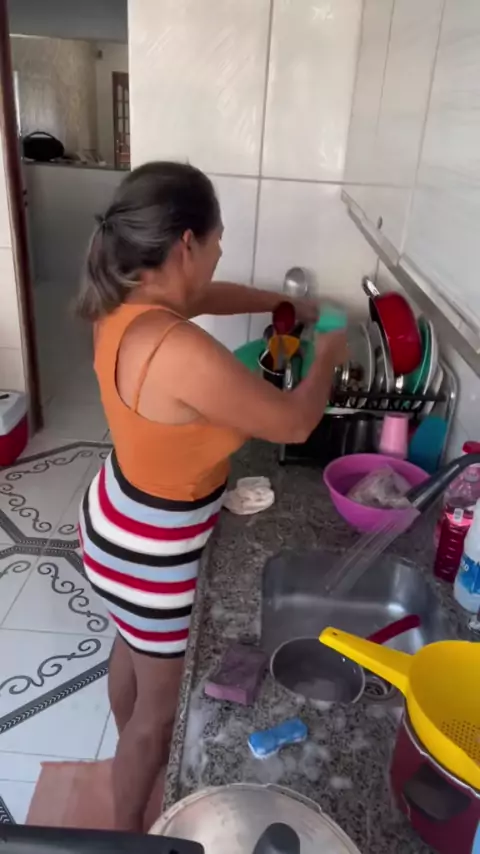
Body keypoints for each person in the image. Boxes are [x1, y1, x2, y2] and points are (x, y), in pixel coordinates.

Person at [76, 161, 347, 831]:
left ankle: (131, 754)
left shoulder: (127, 303)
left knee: (131, 654)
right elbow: (295, 422)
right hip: (153, 553)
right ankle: (124, 833)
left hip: (116, 517)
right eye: (218, 240)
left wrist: (288, 306)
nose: (221, 253)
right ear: (187, 244)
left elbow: (211, 295)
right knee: (159, 713)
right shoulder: (175, 349)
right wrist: (329, 353)